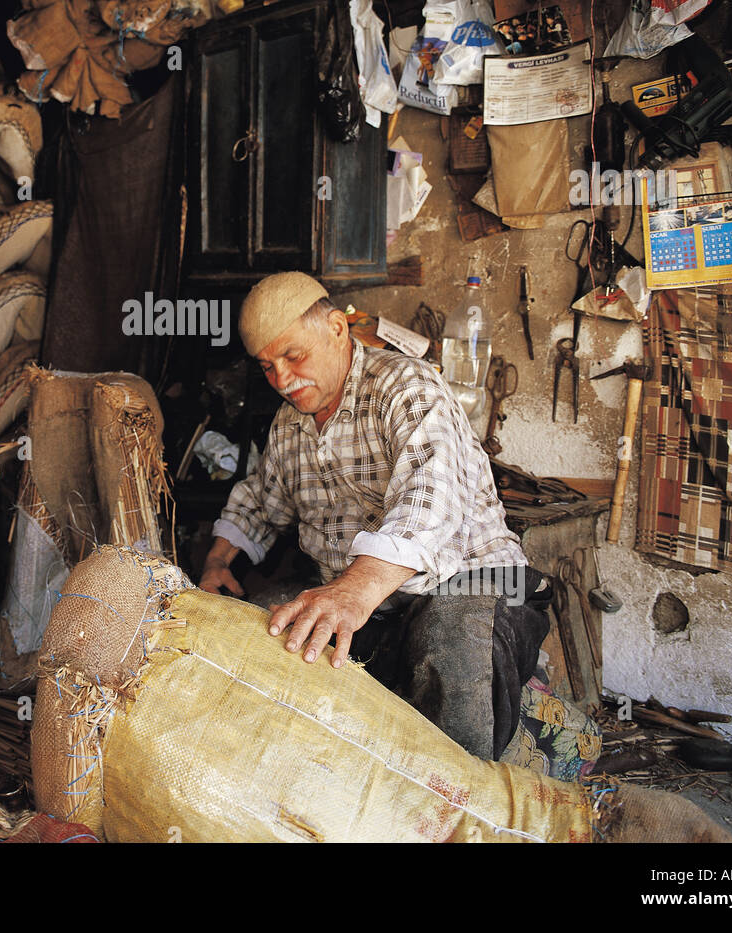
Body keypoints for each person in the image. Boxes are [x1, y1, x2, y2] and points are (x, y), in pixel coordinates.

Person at [198, 271, 550, 761]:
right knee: (264, 624)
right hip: (372, 604)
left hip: (472, 583)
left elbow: (428, 500)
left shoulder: (406, 387)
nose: (282, 379)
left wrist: (351, 591)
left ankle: (454, 811)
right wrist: (218, 562)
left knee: (451, 633)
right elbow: (261, 499)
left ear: (337, 330)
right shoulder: (290, 424)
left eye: (294, 356)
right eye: (267, 367)